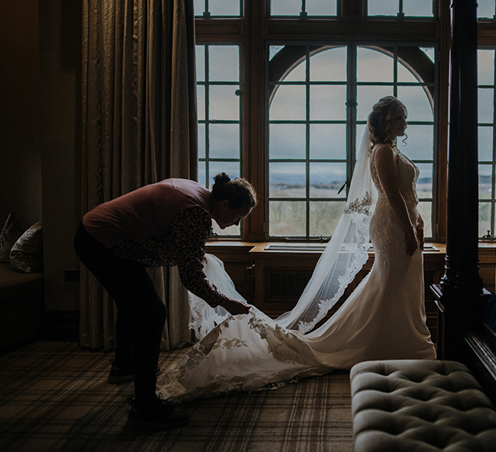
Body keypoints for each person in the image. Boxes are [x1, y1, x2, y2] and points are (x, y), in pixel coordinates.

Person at [155, 96, 436, 401]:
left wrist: (418, 223)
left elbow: (408, 195)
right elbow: (393, 197)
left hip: (405, 223)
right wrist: (408, 229)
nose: (404, 123)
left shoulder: (392, 150)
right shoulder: (381, 151)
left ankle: (396, 341)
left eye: (404, 118)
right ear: (384, 123)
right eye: (398, 118)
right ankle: (382, 343)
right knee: (389, 283)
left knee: (394, 284)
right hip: (394, 227)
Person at [74, 174, 256, 429]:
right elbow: (191, 278)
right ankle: (145, 406)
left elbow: (173, 234)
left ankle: (124, 366)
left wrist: (191, 254)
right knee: (152, 313)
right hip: (102, 241)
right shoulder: (196, 213)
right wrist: (227, 303)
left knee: (134, 304)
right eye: (239, 217)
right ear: (224, 205)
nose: (237, 225)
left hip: (93, 232)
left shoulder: (199, 195)